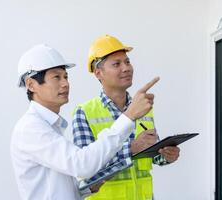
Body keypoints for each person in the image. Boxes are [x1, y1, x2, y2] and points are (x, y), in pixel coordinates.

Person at [10, 44, 159, 200]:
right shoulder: (31, 128)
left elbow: (57, 189)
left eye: (65, 77)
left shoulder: (50, 126)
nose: (65, 83)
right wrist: (128, 117)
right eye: (56, 77)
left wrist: (87, 189)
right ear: (31, 84)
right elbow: (82, 165)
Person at [72, 35, 180, 200]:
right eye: (117, 64)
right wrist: (131, 149)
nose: (126, 68)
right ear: (98, 73)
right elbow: (87, 172)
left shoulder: (144, 107)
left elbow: (150, 157)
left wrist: (165, 156)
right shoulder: (84, 113)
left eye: (127, 62)